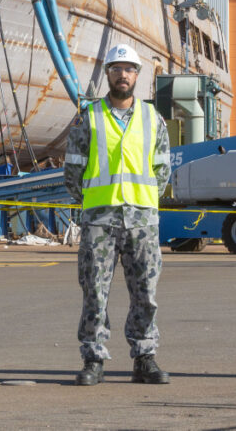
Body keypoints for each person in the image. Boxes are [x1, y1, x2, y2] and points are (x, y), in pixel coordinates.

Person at [63, 43, 172, 386]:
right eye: (116, 68)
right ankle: (93, 359)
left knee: (146, 293)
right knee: (94, 291)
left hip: (142, 221)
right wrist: (95, 203)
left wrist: (143, 202)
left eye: (129, 69)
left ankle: (144, 357)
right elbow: (72, 173)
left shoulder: (152, 118)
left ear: (137, 75)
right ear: (107, 73)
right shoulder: (88, 118)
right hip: (100, 221)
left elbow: (162, 170)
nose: (122, 75)